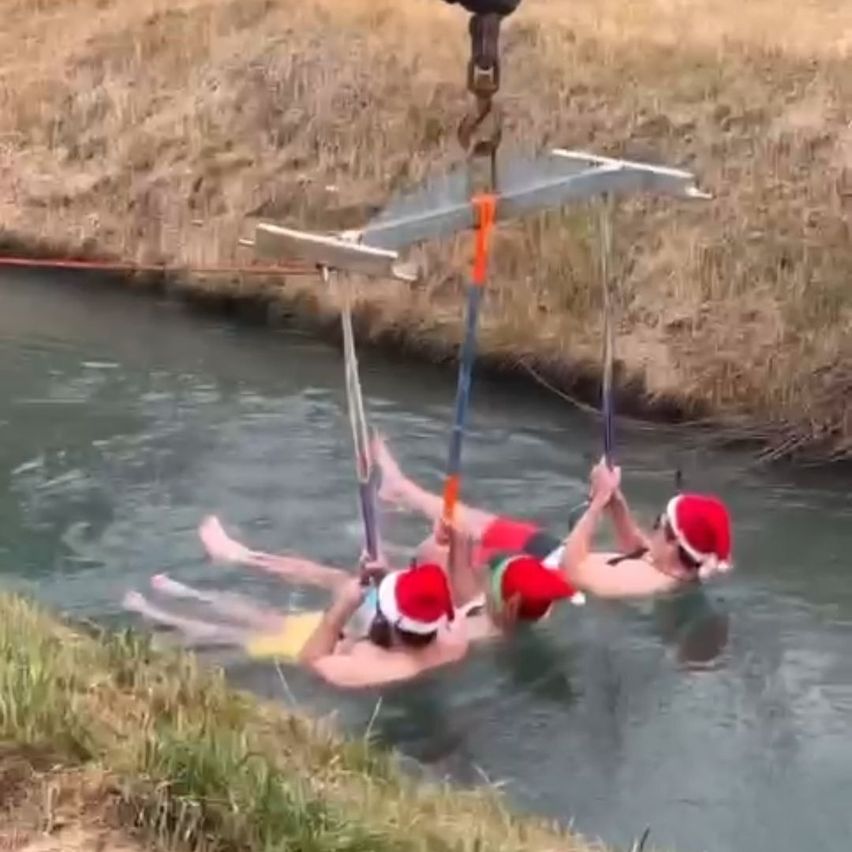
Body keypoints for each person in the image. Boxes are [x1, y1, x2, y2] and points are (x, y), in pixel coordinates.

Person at [371, 435, 734, 600]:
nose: (652, 527)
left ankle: (386, 566)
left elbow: (575, 571)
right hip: (553, 554)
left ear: (673, 541)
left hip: (545, 571)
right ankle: (400, 488)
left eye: (659, 522)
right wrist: (615, 500)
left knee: (444, 552)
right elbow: (635, 548)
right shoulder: (664, 563)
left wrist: (595, 508)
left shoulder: (646, 584)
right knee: (479, 523)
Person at [124, 551, 470, 690]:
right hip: (339, 636)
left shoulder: (379, 669)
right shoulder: (452, 641)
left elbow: (312, 661)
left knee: (237, 637)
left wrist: (340, 609)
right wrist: (380, 577)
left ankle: (156, 615)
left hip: (310, 649)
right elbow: (424, 604)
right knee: (266, 617)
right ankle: (187, 594)